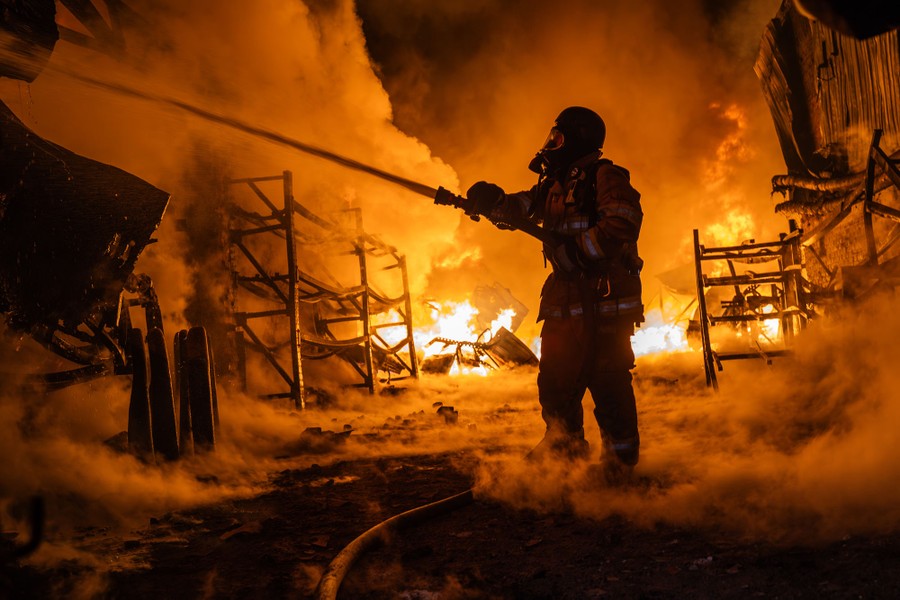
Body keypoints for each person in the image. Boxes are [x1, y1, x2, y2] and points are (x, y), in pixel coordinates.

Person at [465, 106, 644, 475]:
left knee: (607, 383)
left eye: (558, 138)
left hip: (604, 304)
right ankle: (564, 447)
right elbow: (524, 208)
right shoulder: (556, 184)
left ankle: (621, 464)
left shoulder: (604, 176)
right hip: (565, 305)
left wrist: (577, 251)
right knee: (555, 381)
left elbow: (623, 222)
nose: (551, 145)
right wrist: (496, 202)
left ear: (576, 140)